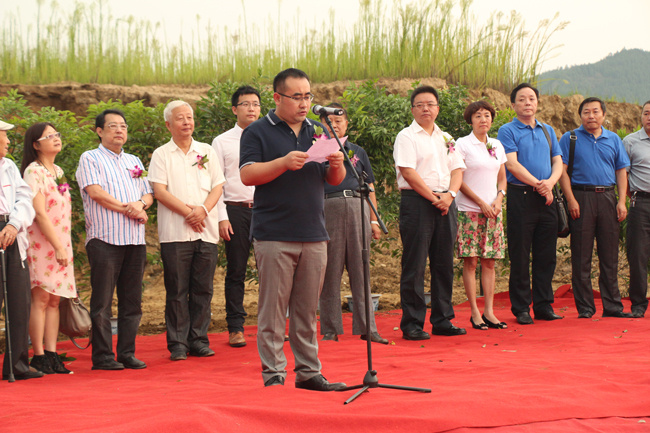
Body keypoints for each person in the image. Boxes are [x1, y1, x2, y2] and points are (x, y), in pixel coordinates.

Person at [240, 68, 347, 390]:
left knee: (305, 310)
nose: (304, 103)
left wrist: (338, 166)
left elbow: (331, 180)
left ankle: (309, 372)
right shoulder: (258, 131)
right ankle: (274, 373)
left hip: (314, 232)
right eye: (296, 97)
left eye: (308, 96)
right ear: (277, 97)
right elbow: (248, 175)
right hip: (274, 233)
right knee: (272, 310)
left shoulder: (318, 130)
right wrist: (283, 163)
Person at [76, 109, 153, 370]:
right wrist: (128, 208)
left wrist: (140, 204)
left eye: (123, 126)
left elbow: (148, 194)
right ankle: (102, 356)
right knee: (103, 301)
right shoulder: (90, 158)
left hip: (134, 239)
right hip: (105, 238)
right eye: (112, 126)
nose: (119, 130)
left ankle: (127, 353)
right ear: (99, 131)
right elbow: (95, 192)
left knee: (132, 301)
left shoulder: (135, 161)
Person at [148, 100, 225, 361]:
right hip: (175, 232)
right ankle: (178, 344)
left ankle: (199, 339)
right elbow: (159, 191)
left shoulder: (206, 151)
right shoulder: (161, 154)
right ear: (169, 124)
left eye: (189, 117)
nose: (186, 122)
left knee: (203, 289)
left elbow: (217, 187)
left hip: (206, 230)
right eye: (180, 118)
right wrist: (189, 213)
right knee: (177, 290)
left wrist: (202, 210)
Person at [393, 85, 467, 340]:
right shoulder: (406, 136)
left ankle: (442, 319)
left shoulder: (446, 138)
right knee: (414, 264)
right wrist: (433, 197)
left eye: (430, 104)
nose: (426, 108)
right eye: (420, 104)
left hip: (446, 201)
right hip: (418, 201)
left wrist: (450, 196)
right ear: (412, 109)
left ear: (438, 108)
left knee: (444, 262)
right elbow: (408, 172)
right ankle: (412, 323)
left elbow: (457, 170)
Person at [317, 103, 387, 344]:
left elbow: (370, 188)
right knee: (329, 272)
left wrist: (374, 220)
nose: (334, 124)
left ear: (346, 124)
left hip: (358, 208)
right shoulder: (315, 151)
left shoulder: (358, 151)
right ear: (321, 126)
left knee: (361, 270)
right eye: (329, 121)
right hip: (328, 210)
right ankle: (330, 329)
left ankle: (369, 328)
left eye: (338, 120)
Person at [497, 83, 564, 325]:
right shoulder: (507, 130)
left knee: (546, 255)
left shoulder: (547, 130)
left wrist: (549, 184)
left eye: (532, 98)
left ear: (537, 103)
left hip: (547, 198)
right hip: (521, 197)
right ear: (513, 104)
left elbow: (558, 162)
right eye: (522, 99)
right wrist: (539, 184)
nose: (528, 103)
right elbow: (511, 164)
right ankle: (522, 308)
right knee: (521, 254)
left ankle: (544, 306)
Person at [558, 97, 631, 319]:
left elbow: (621, 170)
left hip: (608, 198)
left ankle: (612, 307)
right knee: (581, 257)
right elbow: (561, 171)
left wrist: (621, 201)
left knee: (609, 257)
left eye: (595, 112)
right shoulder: (569, 138)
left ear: (604, 115)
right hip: (581, 198)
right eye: (586, 112)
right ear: (580, 115)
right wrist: (571, 200)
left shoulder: (614, 139)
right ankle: (586, 308)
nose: (591, 116)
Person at [21, 123, 76, 374]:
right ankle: (39, 355)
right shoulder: (34, 172)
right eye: (49, 136)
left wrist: (63, 246)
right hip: (43, 243)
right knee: (41, 298)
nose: (56, 139)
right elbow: (40, 214)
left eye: (57, 134)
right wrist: (57, 246)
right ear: (36, 144)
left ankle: (53, 353)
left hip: (61, 242)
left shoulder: (58, 171)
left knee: (55, 299)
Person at [212, 86, 260, 348]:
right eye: (245, 104)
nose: (251, 109)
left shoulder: (268, 136)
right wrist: (222, 216)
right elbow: (216, 182)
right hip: (235, 209)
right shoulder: (222, 141)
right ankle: (236, 327)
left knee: (272, 270)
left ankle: (271, 325)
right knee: (236, 270)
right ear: (234, 109)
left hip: (266, 209)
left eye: (256, 104)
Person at [455, 101, 508, 330]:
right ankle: (474, 312)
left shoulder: (496, 144)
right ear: (470, 120)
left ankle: (489, 311)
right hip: (469, 211)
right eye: (478, 116)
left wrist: (498, 199)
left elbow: (502, 177)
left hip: (494, 211)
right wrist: (479, 203)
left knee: (489, 263)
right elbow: (458, 179)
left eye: (487, 115)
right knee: (471, 261)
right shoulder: (462, 144)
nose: (483, 119)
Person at [0, 119, 41, 381]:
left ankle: (16, 364)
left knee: (18, 301)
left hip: (11, 232)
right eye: (2, 136)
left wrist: (14, 224)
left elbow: (24, 199)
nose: (7, 141)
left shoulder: (9, 166)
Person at [624, 100, 650, 318]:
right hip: (640, 204)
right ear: (641, 116)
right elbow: (623, 175)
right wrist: (630, 196)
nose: (649, 117)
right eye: (646, 113)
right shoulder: (630, 141)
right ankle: (638, 305)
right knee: (638, 256)